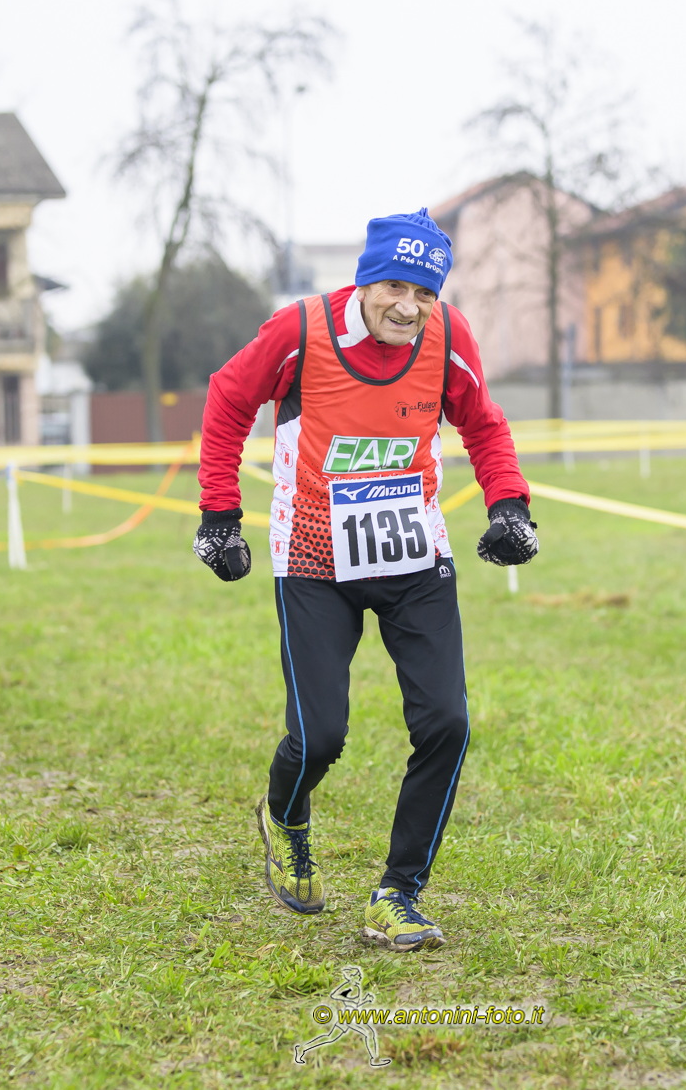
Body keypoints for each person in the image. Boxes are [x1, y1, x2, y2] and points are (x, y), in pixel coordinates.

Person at [194, 207, 538, 953]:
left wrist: (510, 507)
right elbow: (228, 398)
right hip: (314, 559)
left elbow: (483, 423)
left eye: (425, 293)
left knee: (447, 724)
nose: (408, 308)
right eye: (393, 288)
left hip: (414, 557)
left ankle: (398, 893)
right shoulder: (300, 331)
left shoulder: (448, 338)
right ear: (363, 282)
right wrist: (220, 515)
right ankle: (286, 815)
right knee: (319, 737)